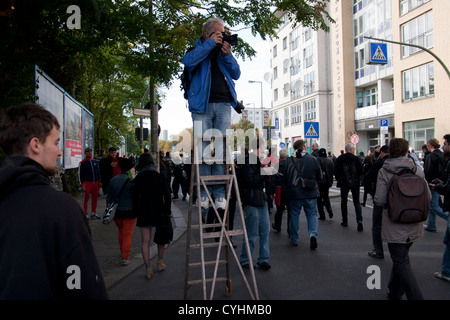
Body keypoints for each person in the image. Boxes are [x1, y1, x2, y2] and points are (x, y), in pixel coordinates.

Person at [0, 102, 108, 299]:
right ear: (35, 145)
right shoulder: (62, 210)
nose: (59, 152)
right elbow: (81, 287)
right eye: (56, 143)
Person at [182, 17, 241, 213]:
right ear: (207, 34)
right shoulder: (197, 50)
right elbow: (188, 62)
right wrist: (209, 45)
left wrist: (227, 55)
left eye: (223, 32)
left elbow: (236, 74)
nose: (222, 35)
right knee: (204, 149)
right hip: (202, 106)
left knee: (221, 149)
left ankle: (219, 194)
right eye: (219, 32)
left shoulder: (221, 53)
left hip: (224, 104)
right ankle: (204, 195)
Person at [374, 138, 429, 300]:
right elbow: (429, 196)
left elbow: (379, 200)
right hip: (415, 221)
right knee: (401, 258)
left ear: (390, 151)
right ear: (406, 151)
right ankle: (394, 290)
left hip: (395, 223)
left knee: (401, 262)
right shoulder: (416, 169)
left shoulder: (385, 171)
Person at [132, 153, 172, 279]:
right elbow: (167, 195)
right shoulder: (159, 176)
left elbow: (134, 198)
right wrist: (167, 210)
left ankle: (148, 268)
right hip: (159, 210)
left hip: (144, 212)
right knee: (161, 238)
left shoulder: (138, 179)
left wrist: (136, 212)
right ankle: (160, 261)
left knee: (145, 241)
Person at [238, 137, 271, 270]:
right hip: (252, 199)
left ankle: (263, 259)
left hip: (259, 199)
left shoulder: (255, 160)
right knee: (252, 232)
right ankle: (245, 260)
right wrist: (264, 172)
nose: (265, 149)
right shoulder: (248, 160)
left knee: (265, 231)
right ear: (260, 146)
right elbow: (250, 181)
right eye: (264, 146)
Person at [283, 139, 322, 249]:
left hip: (295, 193)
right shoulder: (313, 159)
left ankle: (294, 239)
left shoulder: (288, 161)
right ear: (304, 147)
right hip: (310, 191)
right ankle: (313, 235)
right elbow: (320, 177)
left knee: (294, 215)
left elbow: (284, 179)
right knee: (312, 214)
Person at [107, 158, 136, 266]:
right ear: (129, 169)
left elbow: (109, 198)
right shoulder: (132, 181)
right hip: (129, 211)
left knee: (121, 232)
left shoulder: (113, 180)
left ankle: (122, 252)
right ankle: (125, 257)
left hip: (116, 212)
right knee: (127, 234)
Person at [429, 134, 450, 283]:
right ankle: (446, 270)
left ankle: (447, 271)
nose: (443, 147)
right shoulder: (445, 158)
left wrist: (438, 186)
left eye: (445, 144)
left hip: (442, 191)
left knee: (434, 207)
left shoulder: (433, 157)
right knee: (448, 240)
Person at [365, 145, 389, 259]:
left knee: (377, 224)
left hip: (380, 197)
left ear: (382, 153)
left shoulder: (379, 164)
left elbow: (367, 178)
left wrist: (372, 192)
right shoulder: (407, 163)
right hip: (397, 199)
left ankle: (378, 250)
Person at [334, 143, 364, 231]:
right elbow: (361, 171)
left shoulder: (340, 158)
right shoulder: (356, 159)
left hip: (344, 182)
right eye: (353, 149)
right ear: (350, 150)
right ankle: (359, 220)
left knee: (344, 201)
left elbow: (336, 171)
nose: (354, 150)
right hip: (355, 182)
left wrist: (339, 178)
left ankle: (345, 220)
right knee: (356, 202)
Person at [423, 137, 445, 232]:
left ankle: (447, 218)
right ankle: (431, 225)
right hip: (441, 182)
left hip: (433, 183)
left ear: (430, 146)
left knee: (434, 206)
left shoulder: (431, 157)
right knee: (433, 205)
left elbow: (428, 172)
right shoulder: (443, 155)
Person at [78, 147, 102, 219]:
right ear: (85, 153)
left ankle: (93, 212)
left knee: (95, 198)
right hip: (87, 183)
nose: (90, 153)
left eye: (91, 151)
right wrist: (81, 184)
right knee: (86, 198)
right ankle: (85, 213)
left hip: (95, 183)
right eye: (88, 151)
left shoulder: (95, 162)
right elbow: (80, 174)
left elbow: (98, 172)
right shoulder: (82, 163)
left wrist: (99, 181)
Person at [272, 148, 290, 233]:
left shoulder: (276, 165)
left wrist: (272, 192)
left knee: (279, 209)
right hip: (289, 189)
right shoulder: (291, 164)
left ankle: (277, 225)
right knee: (290, 211)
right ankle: (290, 230)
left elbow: (273, 179)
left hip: (279, 189)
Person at [316, 148, 334, 220]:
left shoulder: (316, 160)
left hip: (319, 182)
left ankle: (322, 215)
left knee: (319, 199)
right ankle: (329, 209)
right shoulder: (329, 161)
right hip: (327, 182)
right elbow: (332, 172)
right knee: (326, 197)